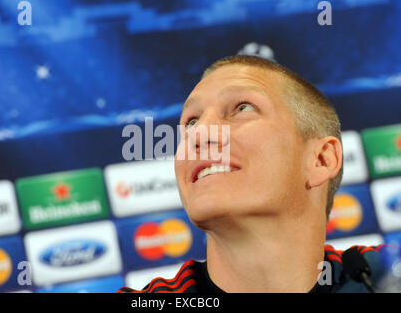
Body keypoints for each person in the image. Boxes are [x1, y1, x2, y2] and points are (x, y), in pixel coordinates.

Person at [117, 55, 386, 293]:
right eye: (191, 122)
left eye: (243, 108)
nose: (198, 134)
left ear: (321, 159)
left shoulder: (387, 279)